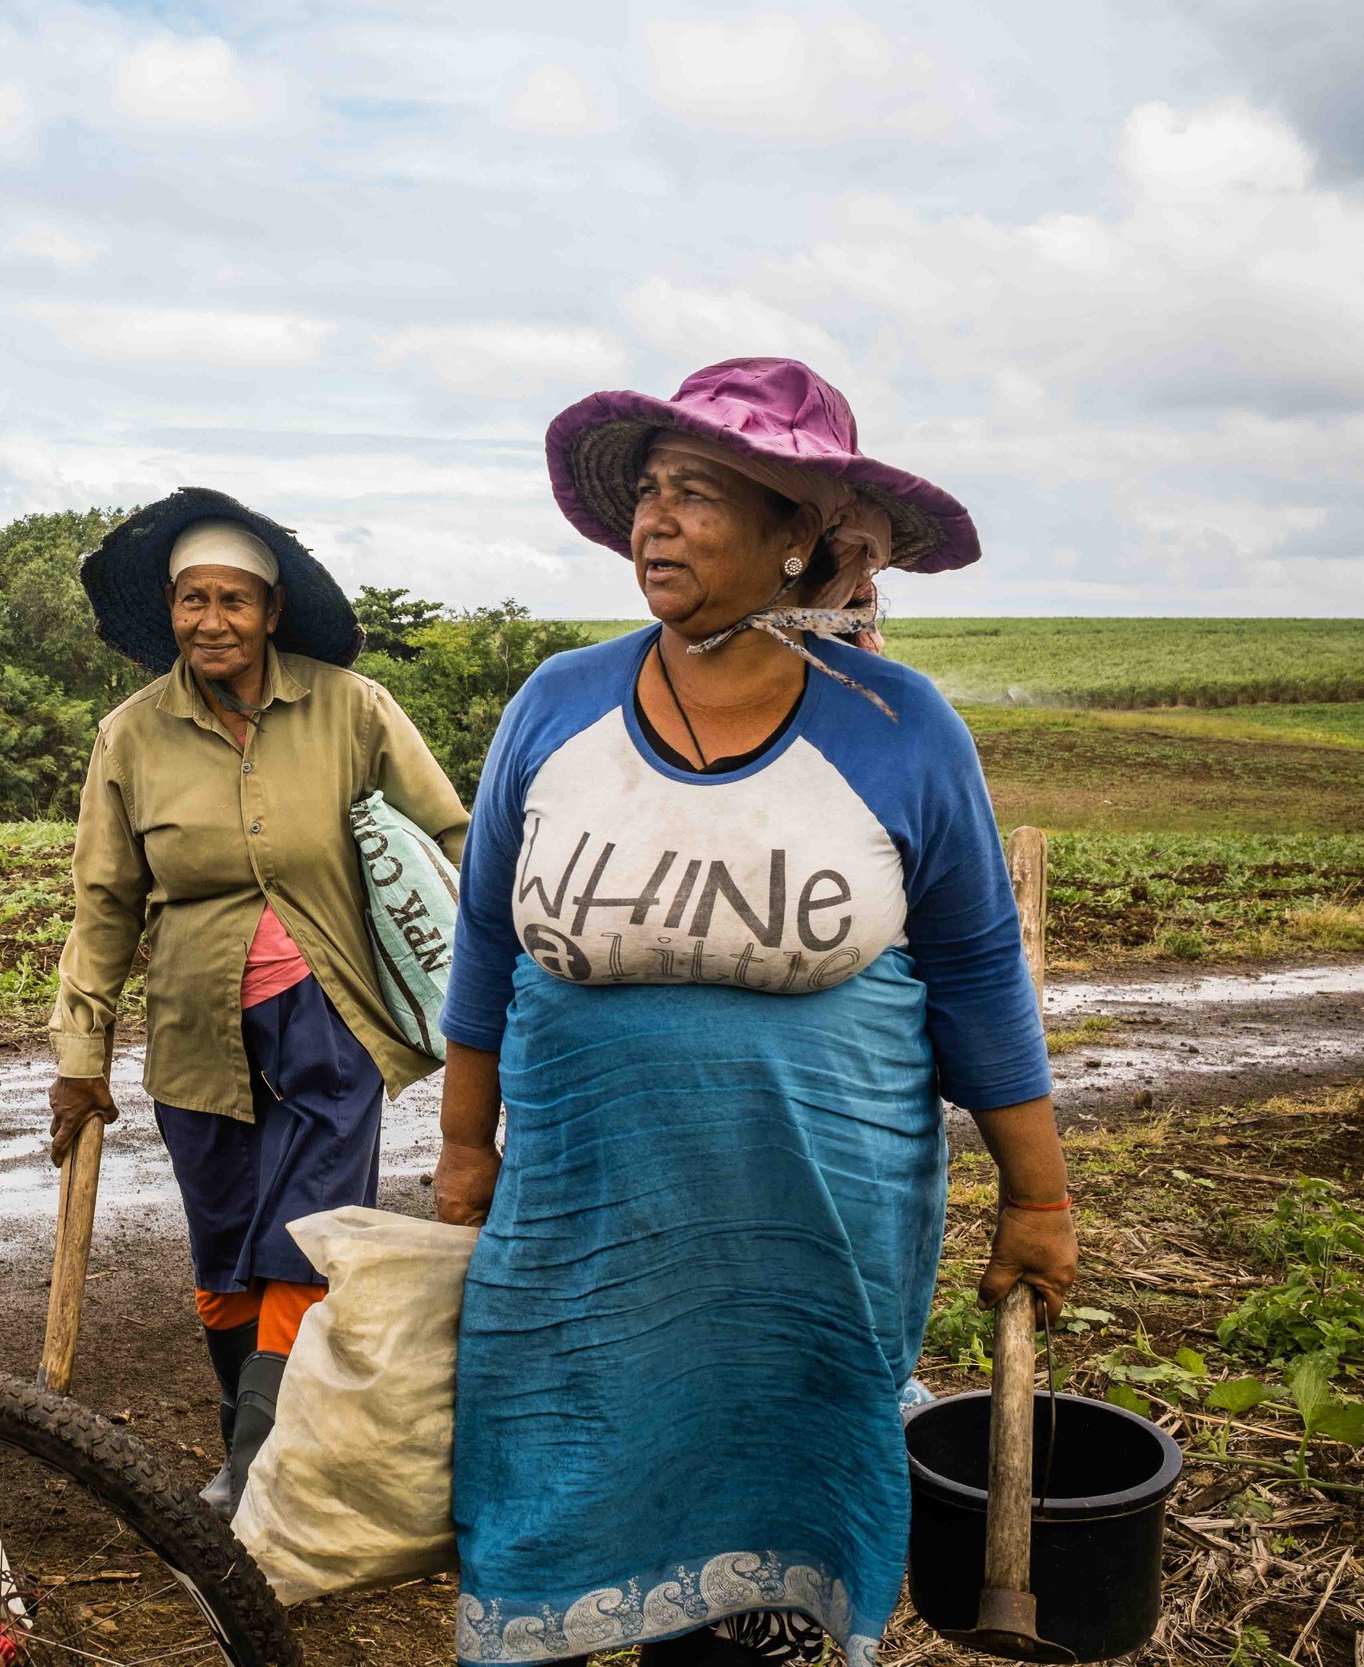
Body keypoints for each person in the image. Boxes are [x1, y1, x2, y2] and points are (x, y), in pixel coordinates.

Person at [435, 359, 1075, 1667]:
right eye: (651, 491)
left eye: (702, 493)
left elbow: (978, 970)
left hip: (802, 1246)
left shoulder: (900, 725)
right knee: (553, 1501)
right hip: (578, 1227)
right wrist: (461, 1147)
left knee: (760, 1558)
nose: (655, 522)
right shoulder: (559, 701)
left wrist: (1039, 1196)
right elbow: (489, 939)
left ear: (804, 536)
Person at [48, 488, 467, 1512]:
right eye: (192, 599)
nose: (211, 621)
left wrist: (496, 984)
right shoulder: (133, 736)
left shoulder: (351, 707)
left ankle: (259, 1464)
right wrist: (78, 1055)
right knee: (224, 1243)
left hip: (332, 1014)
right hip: (195, 1027)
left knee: (308, 1231)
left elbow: (450, 839)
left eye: (234, 599)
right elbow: (102, 902)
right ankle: (256, 1442)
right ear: (171, 608)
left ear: (272, 610)